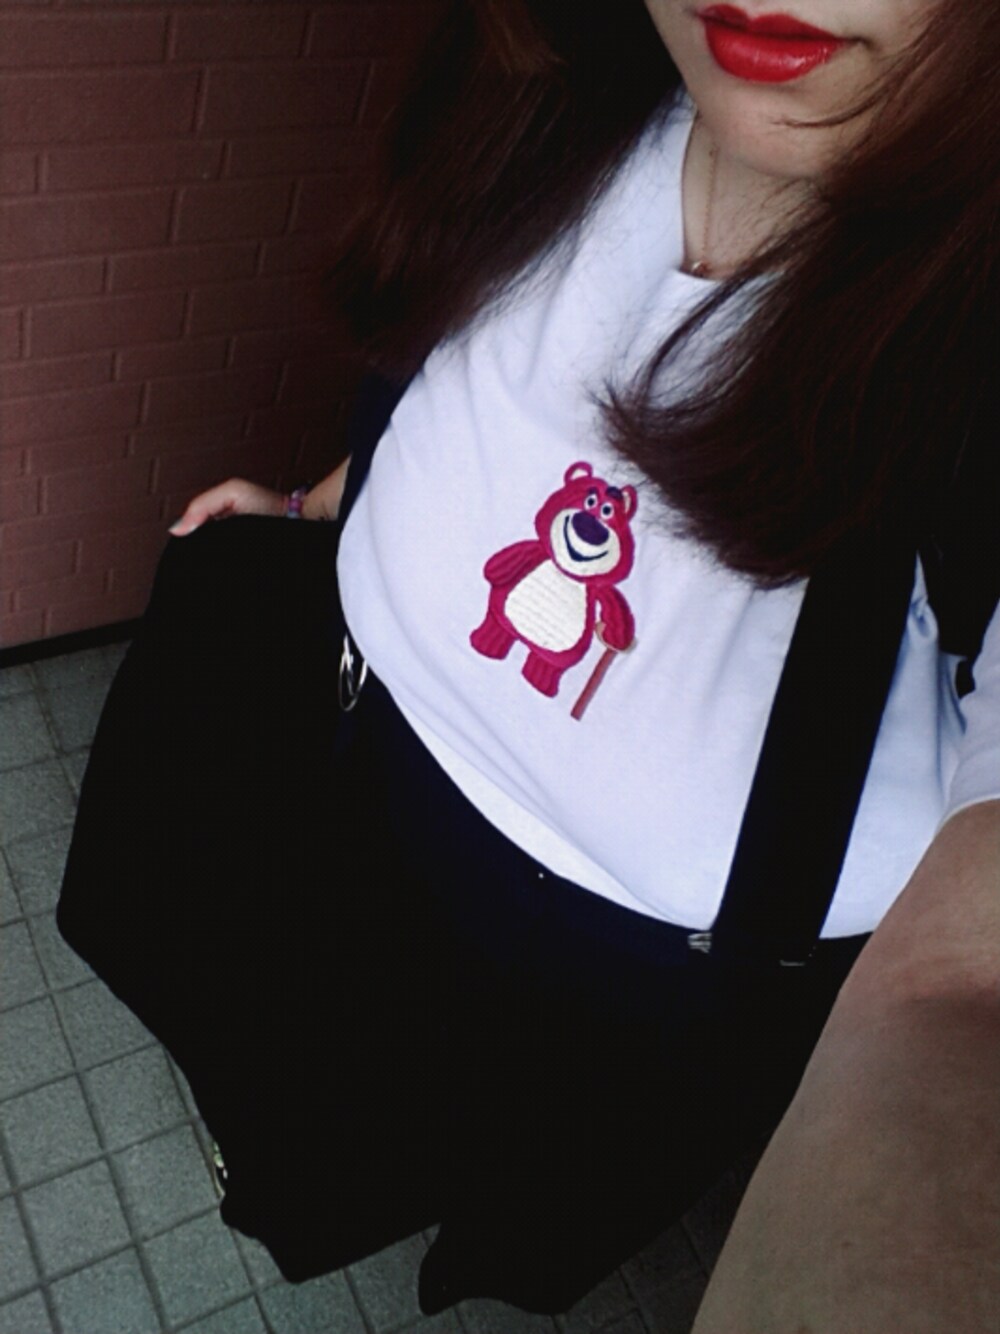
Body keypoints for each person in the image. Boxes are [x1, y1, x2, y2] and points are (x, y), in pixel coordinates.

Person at [59, 1, 998, 1328]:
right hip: (356, 776)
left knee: (494, 1182)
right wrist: (321, 505)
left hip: (615, 1008)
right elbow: (472, 385)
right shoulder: (570, 106)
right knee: (296, 1074)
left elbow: (967, 1001)